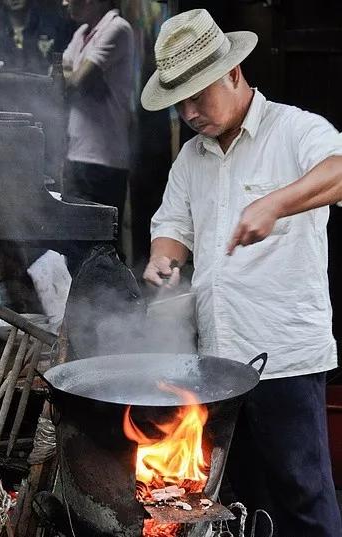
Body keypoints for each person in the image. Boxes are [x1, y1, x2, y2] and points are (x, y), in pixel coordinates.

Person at [141, 10, 342, 536]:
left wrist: (276, 203)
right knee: (238, 500)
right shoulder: (190, 158)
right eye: (178, 102)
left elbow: (340, 170)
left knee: (302, 495)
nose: (188, 112)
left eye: (197, 96)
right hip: (219, 361)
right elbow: (173, 226)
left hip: (285, 357)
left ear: (233, 73)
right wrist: (165, 257)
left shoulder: (296, 129)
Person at [61, 0, 134, 242]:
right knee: (75, 243)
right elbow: (60, 78)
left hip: (104, 159)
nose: (64, 2)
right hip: (76, 154)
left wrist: (79, 81)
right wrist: (80, 82)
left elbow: (74, 82)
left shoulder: (117, 28)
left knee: (103, 246)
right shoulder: (81, 33)